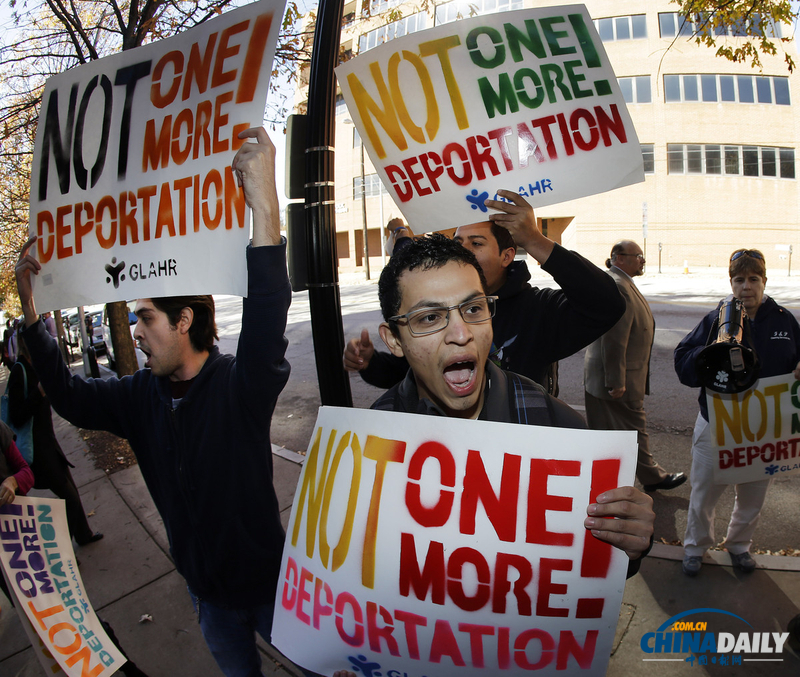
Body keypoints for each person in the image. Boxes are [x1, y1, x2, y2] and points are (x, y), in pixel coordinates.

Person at [15, 127, 296, 677]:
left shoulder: (239, 386)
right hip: (207, 599)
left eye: (145, 317)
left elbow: (267, 316)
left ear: (184, 320)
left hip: (272, 590)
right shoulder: (138, 396)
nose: (135, 331)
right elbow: (69, 397)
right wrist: (31, 312)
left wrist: (265, 209)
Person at [372, 234, 654, 560]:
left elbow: (585, 565)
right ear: (394, 340)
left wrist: (628, 546)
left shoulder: (557, 428)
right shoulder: (369, 444)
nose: (461, 334)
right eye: (430, 317)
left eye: (473, 308)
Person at [345, 191, 625, 396]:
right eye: (458, 242)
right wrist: (370, 363)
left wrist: (534, 240)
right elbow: (406, 372)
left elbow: (606, 304)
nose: (463, 251)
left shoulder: (537, 310)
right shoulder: (434, 307)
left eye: (476, 243)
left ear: (507, 256)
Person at [675, 248, 800, 576]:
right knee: (704, 493)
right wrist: (709, 353)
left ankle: (739, 545)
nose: (746, 286)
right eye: (739, 280)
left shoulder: (784, 320)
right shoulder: (715, 319)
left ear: (764, 281)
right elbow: (683, 364)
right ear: (731, 283)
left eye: (753, 279)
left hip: (764, 427)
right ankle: (695, 547)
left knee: (753, 496)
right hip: (718, 423)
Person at [584, 241, 686, 491]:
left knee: (611, 433)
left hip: (613, 375)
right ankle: (647, 478)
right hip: (617, 379)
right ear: (619, 258)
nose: (643, 260)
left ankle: (609, 483)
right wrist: (616, 380)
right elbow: (614, 337)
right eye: (638, 255)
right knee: (631, 429)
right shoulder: (619, 285)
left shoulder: (621, 282)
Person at [8, 333, 103, 545]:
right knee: (69, 498)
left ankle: (84, 535)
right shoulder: (19, 371)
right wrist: (38, 393)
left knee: (72, 491)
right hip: (37, 451)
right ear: (26, 344)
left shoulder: (35, 365)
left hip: (49, 444)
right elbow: (16, 415)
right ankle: (62, 549)